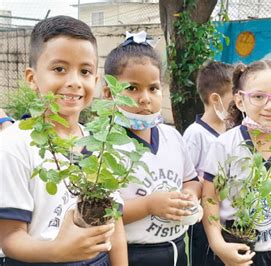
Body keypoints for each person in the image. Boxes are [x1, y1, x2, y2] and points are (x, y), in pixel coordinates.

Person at [0, 16, 126, 265]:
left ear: (96, 81)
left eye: (85, 71)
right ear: (31, 78)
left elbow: (115, 224)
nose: (74, 82)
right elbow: (10, 237)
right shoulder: (14, 145)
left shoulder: (101, 144)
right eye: (59, 69)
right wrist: (60, 251)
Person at [103, 32, 201, 266]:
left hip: (177, 249)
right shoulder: (105, 145)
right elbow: (101, 213)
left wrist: (189, 196)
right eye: (132, 88)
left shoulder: (172, 137)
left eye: (153, 88)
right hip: (130, 253)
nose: (145, 99)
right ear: (109, 93)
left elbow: (191, 180)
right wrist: (150, 205)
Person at [202, 60, 271, 266]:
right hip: (232, 252)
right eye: (258, 97)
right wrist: (217, 244)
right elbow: (210, 197)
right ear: (240, 100)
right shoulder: (225, 145)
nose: (270, 106)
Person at [182, 61, 234, 266]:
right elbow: (185, 179)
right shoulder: (195, 135)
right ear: (216, 99)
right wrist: (208, 184)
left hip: (228, 217)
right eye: (234, 96)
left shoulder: (232, 132)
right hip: (203, 222)